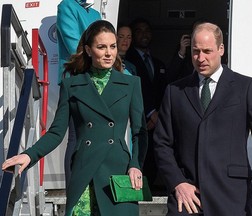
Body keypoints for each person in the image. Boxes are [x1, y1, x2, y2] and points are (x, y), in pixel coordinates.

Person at [2, 20, 148, 215]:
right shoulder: (72, 85)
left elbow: (140, 132)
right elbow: (56, 132)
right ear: (88, 50)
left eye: (112, 47)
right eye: (101, 47)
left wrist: (136, 165)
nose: (109, 53)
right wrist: (30, 154)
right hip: (83, 171)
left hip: (119, 171)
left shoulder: (131, 84)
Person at [153, 22, 252, 215]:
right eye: (195, 51)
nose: (201, 58)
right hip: (188, 198)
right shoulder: (174, 91)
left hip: (231, 197)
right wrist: (177, 182)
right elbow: (161, 143)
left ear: (221, 49)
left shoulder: (245, 87)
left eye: (207, 51)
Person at [56, 0, 101, 188]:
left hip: (97, 80)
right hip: (76, 79)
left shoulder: (96, 14)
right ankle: (73, 190)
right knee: (76, 136)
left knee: (95, 135)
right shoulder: (66, 6)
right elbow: (74, 45)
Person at [125, 17, 167, 193]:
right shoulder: (127, 59)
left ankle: (148, 188)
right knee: (140, 151)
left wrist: (160, 114)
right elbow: (138, 89)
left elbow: (164, 90)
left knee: (155, 154)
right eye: (139, 30)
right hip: (141, 115)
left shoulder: (157, 63)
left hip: (158, 118)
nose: (144, 34)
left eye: (147, 30)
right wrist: (150, 113)